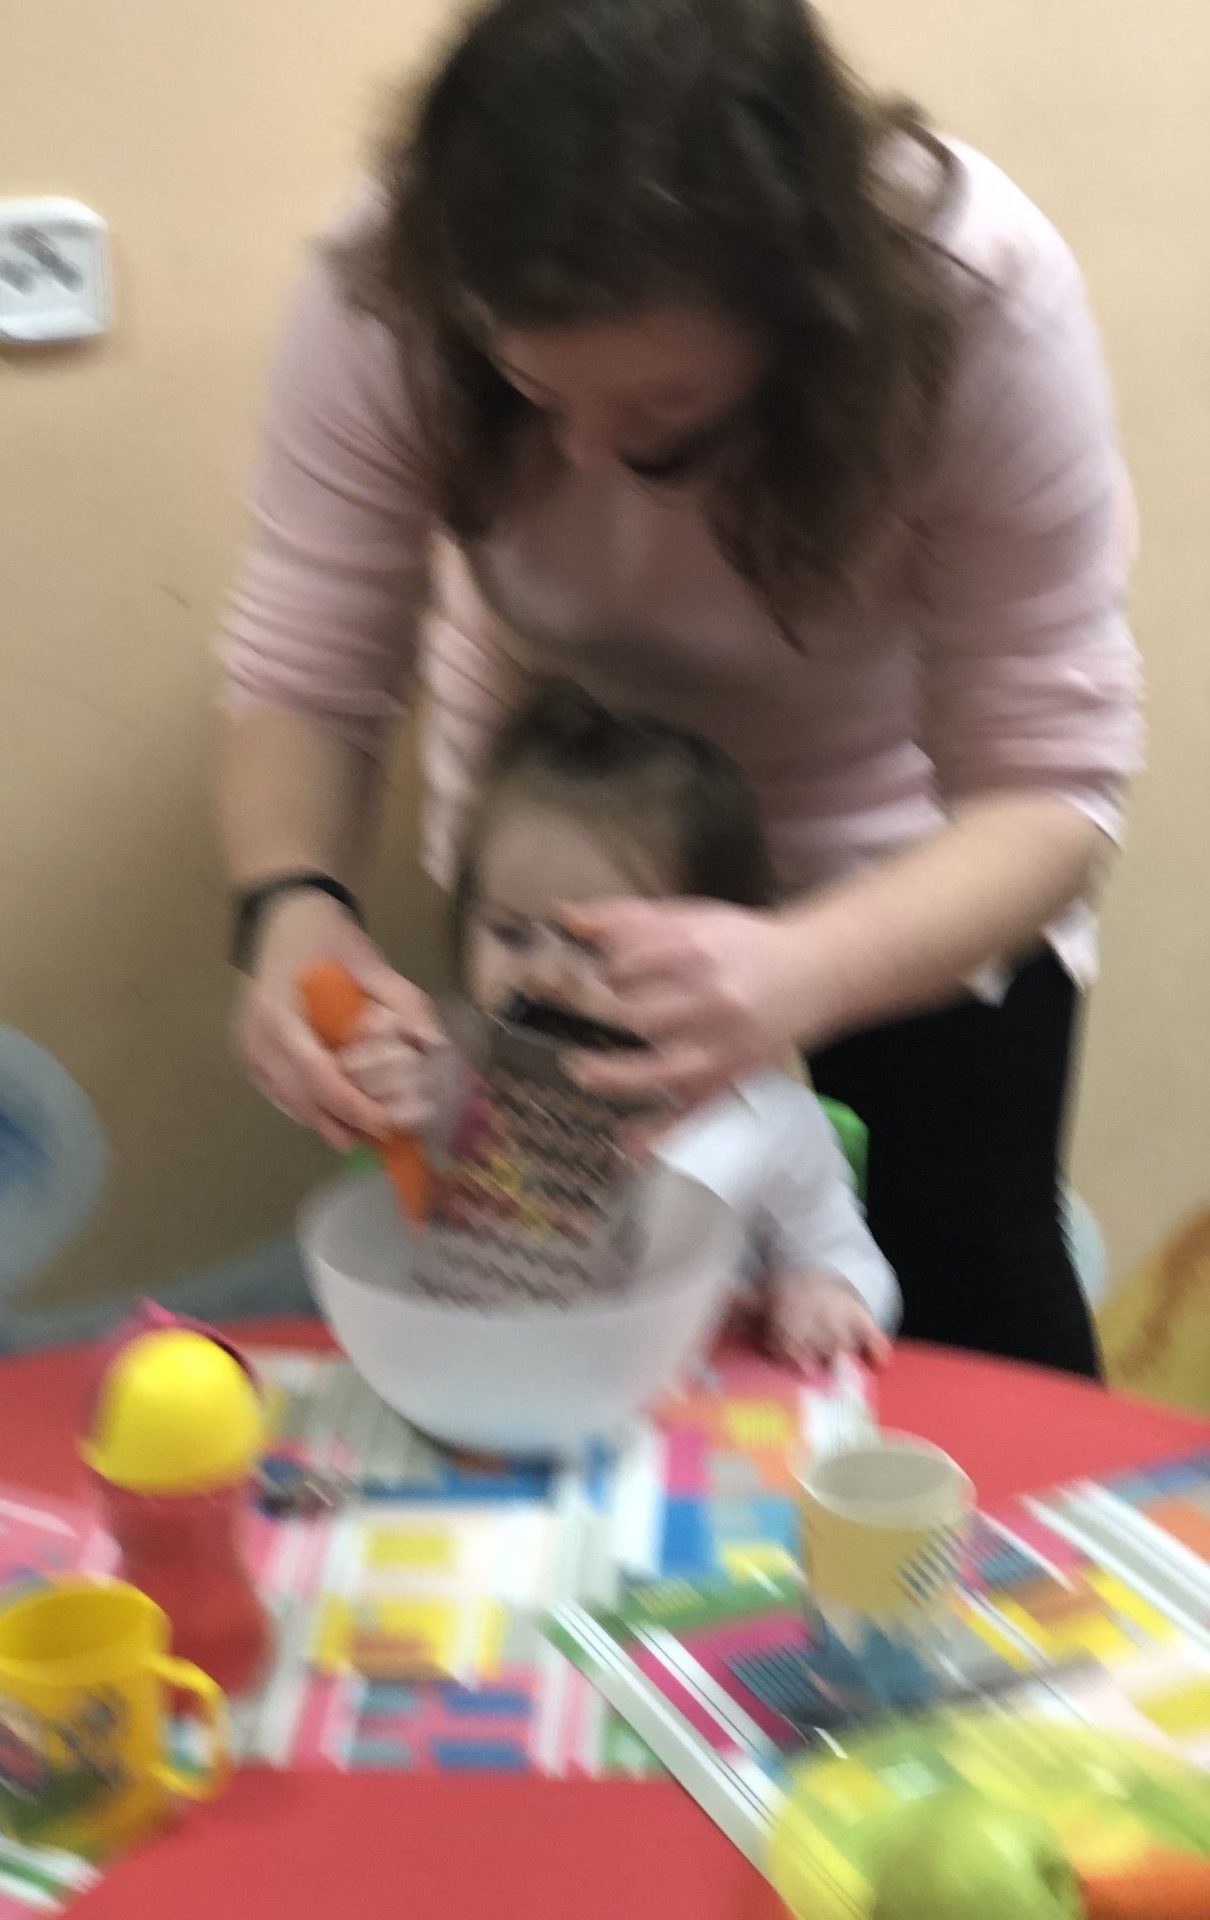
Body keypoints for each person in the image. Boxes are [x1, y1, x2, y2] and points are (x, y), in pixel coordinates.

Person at [218, 0, 1139, 1379]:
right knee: (562, 1298)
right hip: (567, 849)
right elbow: (310, 666)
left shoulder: (977, 298)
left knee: (969, 1306)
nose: (588, 454)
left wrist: (813, 966)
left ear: (808, 317)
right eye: (533, 392)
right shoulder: (391, 281)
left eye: (663, 408)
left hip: (908, 872)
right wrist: (291, 909)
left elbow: (1051, 788)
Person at [333, 681, 898, 1370]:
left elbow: (847, 1256)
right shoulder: (456, 1075)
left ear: (714, 952)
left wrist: (824, 1290)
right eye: (511, 933)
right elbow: (391, 1171)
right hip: (486, 1384)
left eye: (594, 947)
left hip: (686, 1409)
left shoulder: (765, 1124)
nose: (545, 975)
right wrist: (389, 1083)